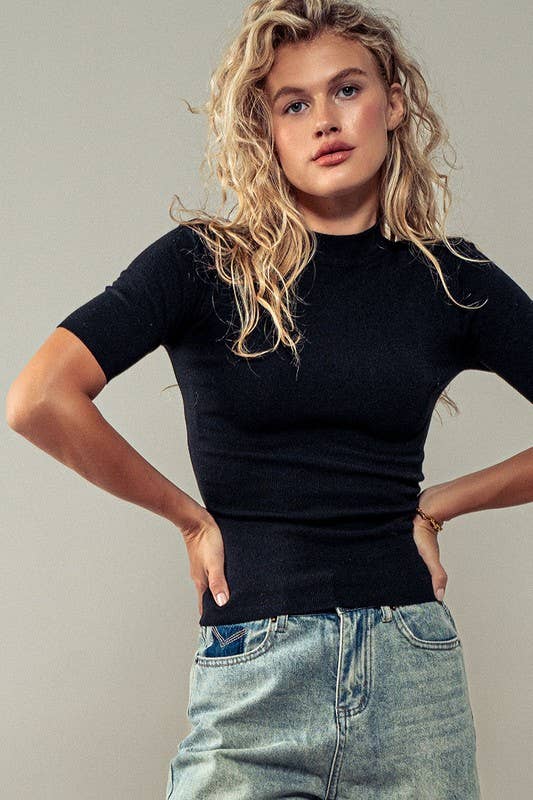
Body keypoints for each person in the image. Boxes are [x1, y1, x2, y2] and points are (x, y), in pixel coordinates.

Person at [6, 1, 533, 798]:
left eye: (347, 90)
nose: (324, 120)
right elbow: (40, 397)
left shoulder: (448, 278)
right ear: (266, 131)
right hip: (253, 672)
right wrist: (188, 519)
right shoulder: (203, 264)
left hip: (412, 674)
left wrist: (439, 506)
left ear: (392, 103)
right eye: (293, 104)